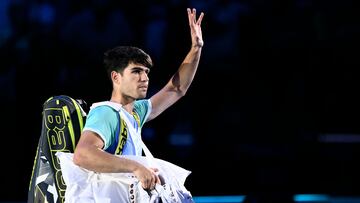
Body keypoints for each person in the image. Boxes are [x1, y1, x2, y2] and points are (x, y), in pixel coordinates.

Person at [73, 7, 204, 192]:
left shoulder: (135, 112)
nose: (144, 78)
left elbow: (176, 88)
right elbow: (82, 155)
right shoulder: (106, 113)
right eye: (136, 71)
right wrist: (136, 167)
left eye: (146, 72)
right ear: (116, 77)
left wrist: (196, 48)